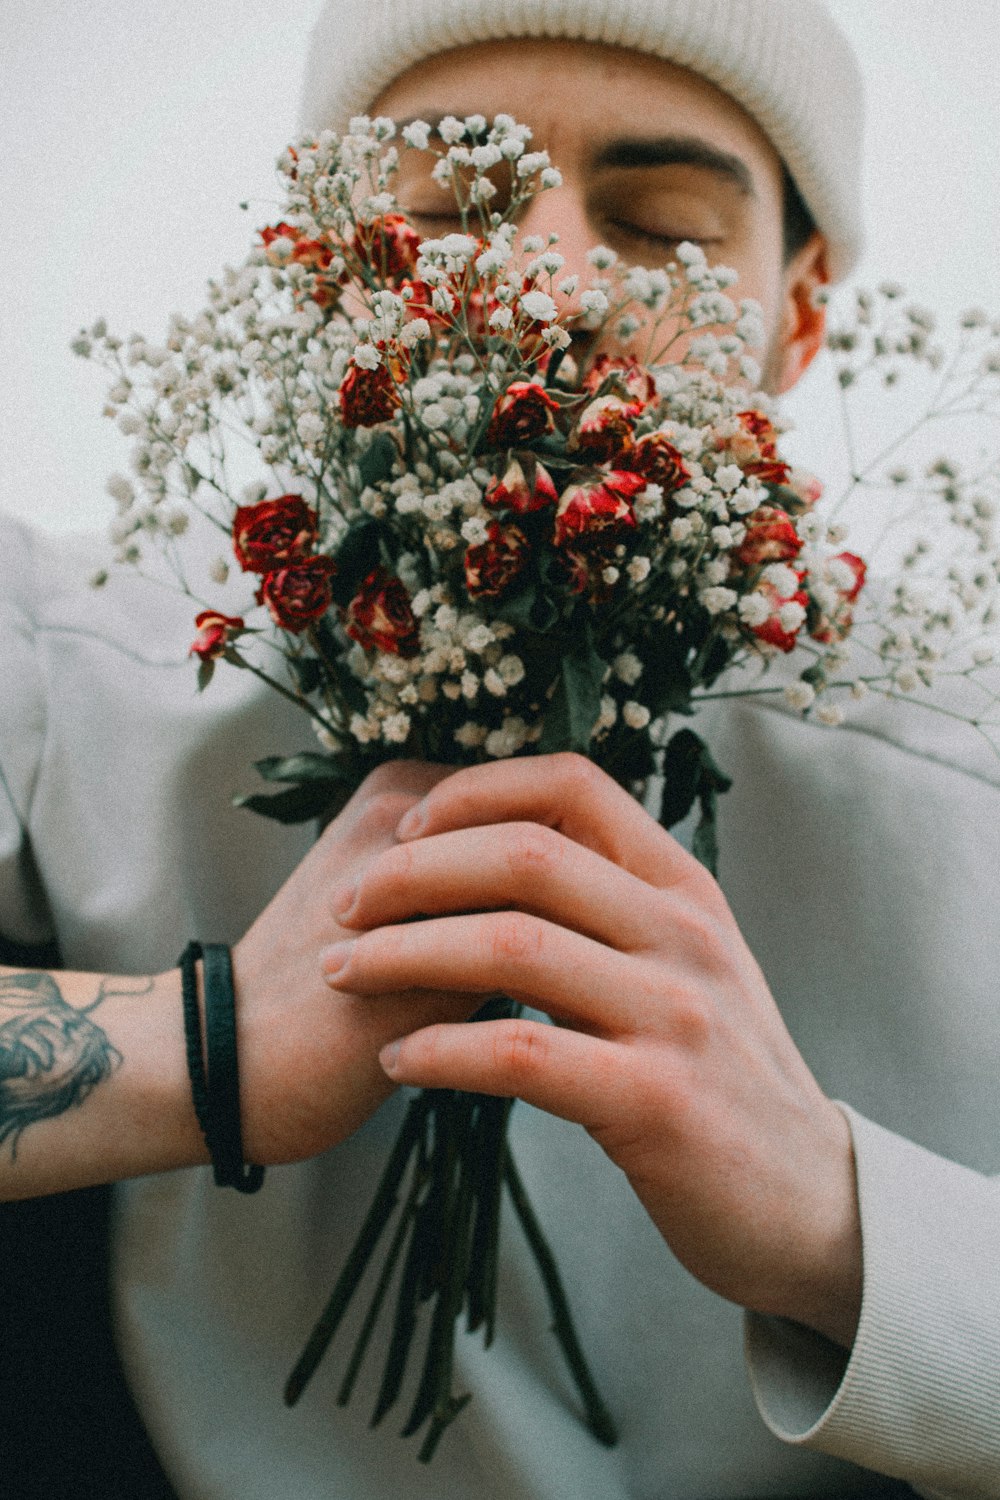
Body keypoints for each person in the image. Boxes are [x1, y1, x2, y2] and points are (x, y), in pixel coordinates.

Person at [1, 1, 998, 1496]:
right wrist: (204, 1048)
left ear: (798, 319)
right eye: (449, 213)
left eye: (659, 226)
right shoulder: (68, 660)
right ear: (326, 267)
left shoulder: (959, 774)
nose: (541, 279)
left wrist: (846, 1226)